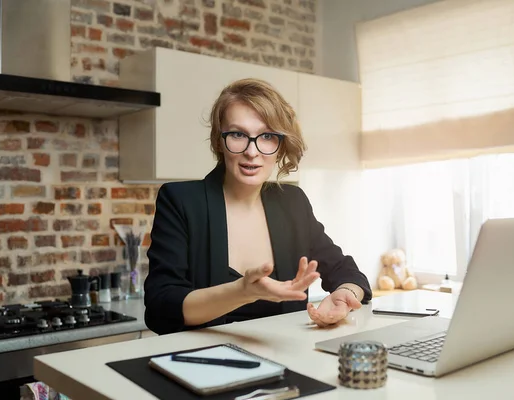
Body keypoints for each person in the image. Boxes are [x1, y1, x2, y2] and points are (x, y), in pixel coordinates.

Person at [144, 78, 372, 335]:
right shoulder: (181, 201)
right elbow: (160, 308)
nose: (252, 152)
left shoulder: (292, 203)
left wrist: (344, 295)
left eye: (266, 136)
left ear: (280, 144)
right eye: (238, 134)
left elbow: (348, 272)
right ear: (220, 141)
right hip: (204, 365)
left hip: (288, 361)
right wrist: (242, 292)